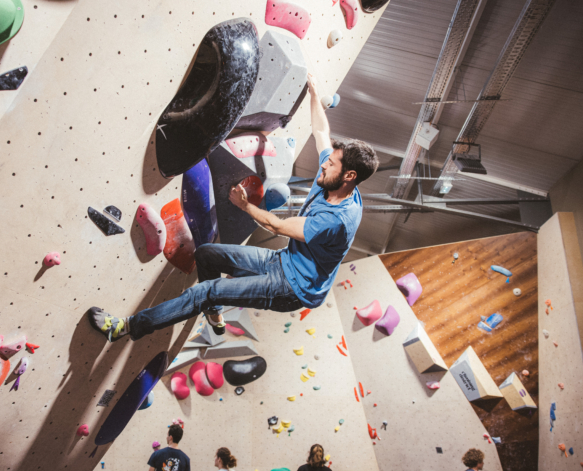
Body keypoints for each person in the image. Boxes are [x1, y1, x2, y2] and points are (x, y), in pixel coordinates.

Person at [87, 73, 378, 342]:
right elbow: (320, 133)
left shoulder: (337, 220)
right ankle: (213, 313)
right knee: (206, 255)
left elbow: (276, 226)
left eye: (331, 164)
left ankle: (124, 328)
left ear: (349, 176)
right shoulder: (335, 180)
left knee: (207, 291)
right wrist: (315, 95)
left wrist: (244, 205)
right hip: (283, 261)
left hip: (293, 287)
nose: (324, 163)